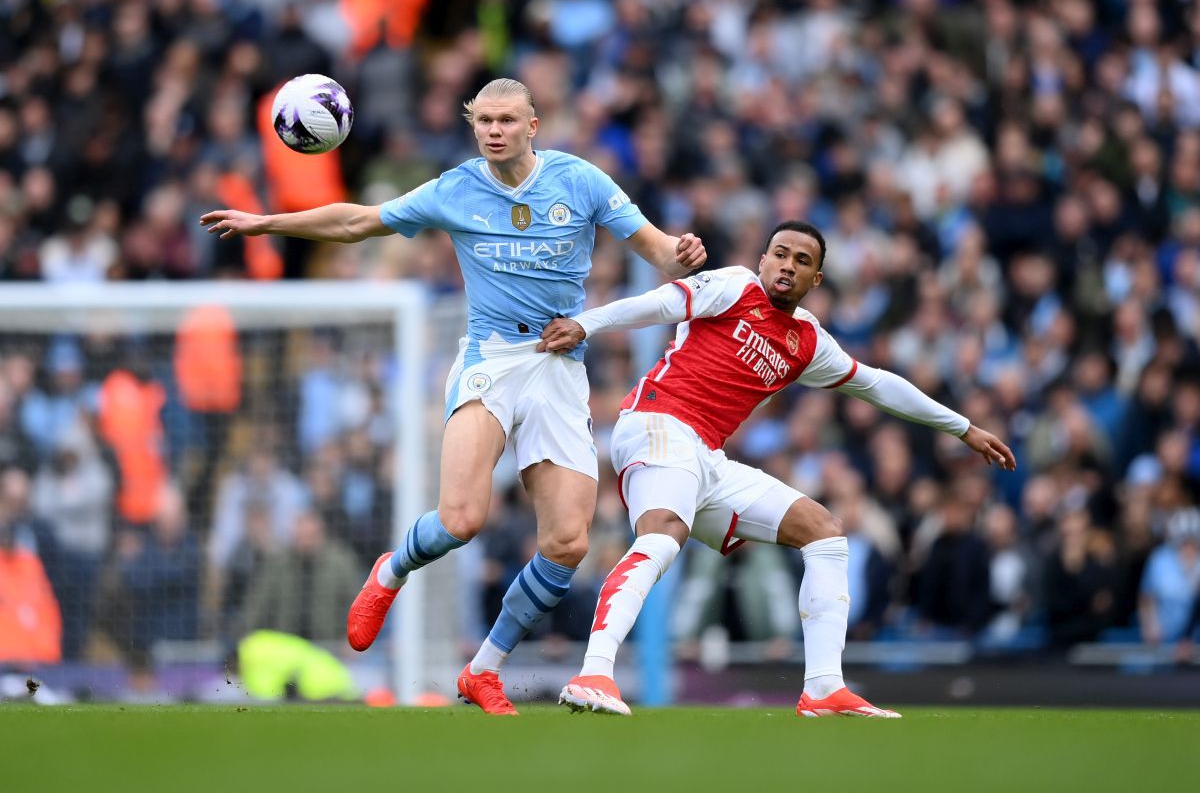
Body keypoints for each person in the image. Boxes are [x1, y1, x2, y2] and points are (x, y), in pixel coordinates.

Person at [201, 78, 705, 714]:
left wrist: (682, 254)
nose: (493, 131)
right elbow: (358, 221)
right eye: (483, 121)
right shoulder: (456, 188)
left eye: (506, 120)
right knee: (462, 518)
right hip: (489, 361)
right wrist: (266, 223)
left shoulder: (582, 182)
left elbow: (658, 248)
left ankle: (483, 668)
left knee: (568, 542)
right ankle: (392, 570)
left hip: (558, 366)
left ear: (533, 125)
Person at [537, 220, 1016, 717]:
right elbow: (659, 304)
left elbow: (875, 384)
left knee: (824, 532)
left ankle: (825, 688)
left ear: (817, 280)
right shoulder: (733, 286)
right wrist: (587, 323)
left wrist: (963, 428)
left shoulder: (806, 341)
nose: (788, 265)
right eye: (780, 254)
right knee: (660, 538)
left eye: (802, 261)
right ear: (763, 261)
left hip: (706, 454)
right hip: (658, 421)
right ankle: (594, 672)